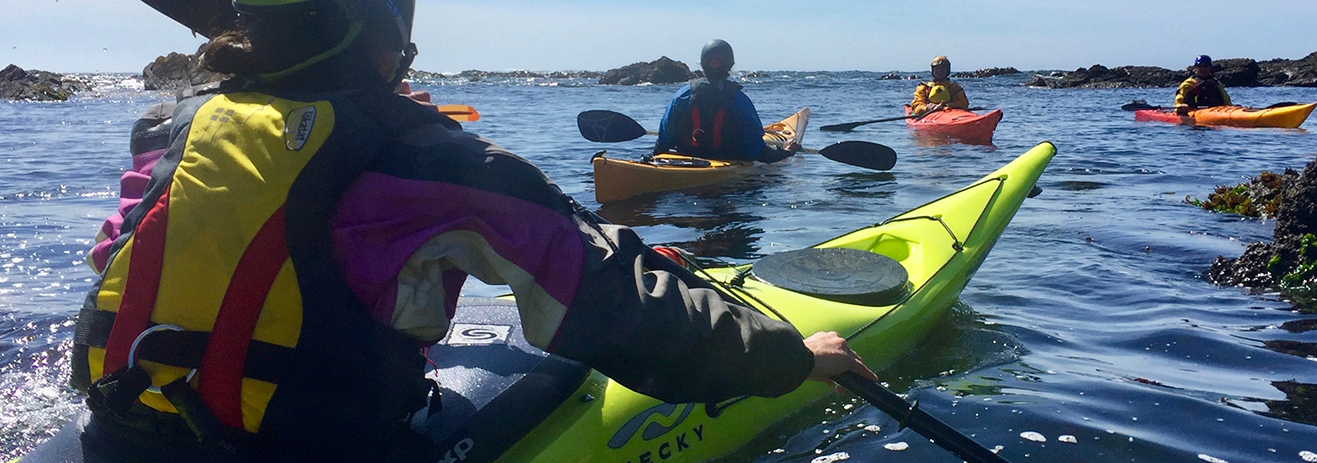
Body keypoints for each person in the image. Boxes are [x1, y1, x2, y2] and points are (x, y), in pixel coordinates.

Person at [59, 1, 874, 462]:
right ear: (384, 47)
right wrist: (791, 356)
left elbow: (118, 260)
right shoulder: (426, 156)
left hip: (118, 431)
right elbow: (615, 301)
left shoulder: (172, 131)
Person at [655, 39, 798, 163]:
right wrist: (786, 152)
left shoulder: (682, 95)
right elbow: (756, 150)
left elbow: (664, 140)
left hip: (686, 159)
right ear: (729, 65)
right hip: (727, 162)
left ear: (703, 64)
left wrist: (655, 158)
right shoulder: (738, 100)